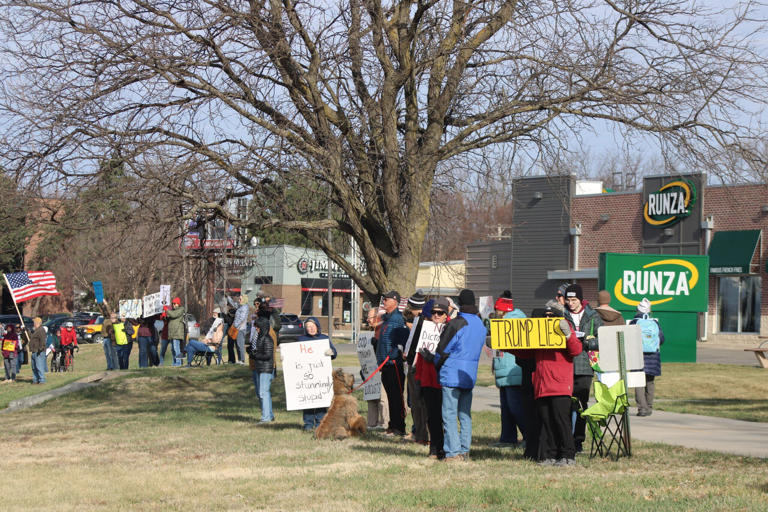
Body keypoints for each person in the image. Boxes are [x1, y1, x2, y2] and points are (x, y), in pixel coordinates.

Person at [421, 289, 486, 462]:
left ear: (460, 303)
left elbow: (442, 350)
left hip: (451, 373)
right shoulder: (480, 324)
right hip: (469, 374)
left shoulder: (457, 323)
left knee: (449, 415)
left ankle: (453, 452)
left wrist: (433, 360)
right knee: (464, 414)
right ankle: (464, 450)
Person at [512, 319, 582, 466]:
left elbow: (576, 350)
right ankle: (550, 455)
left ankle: (568, 455)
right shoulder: (539, 330)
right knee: (547, 423)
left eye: (551, 314)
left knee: (561, 422)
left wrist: (568, 335)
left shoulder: (564, 326)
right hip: (542, 386)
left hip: (559, 386)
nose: (548, 316)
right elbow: (527, 352)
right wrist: (504, 347)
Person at [562, 283, 602, 453]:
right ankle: (565, 440)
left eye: (574, 300)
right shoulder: (562, 315)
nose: (571, 304)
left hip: (585, 366)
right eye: (568, 300)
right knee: (565, 405)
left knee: (581, 405)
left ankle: (578, 440)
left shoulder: (592, 316)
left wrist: (587, 342)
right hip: (566, 364)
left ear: (580, 299)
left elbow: (602, 339)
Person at [489, 293, 528, 449]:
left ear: (503, 310)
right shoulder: (502, 322)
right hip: (504, 369)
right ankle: (507, 438)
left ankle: (528, 436)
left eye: (497, 309)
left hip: (512, 370)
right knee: (506, 408)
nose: (496, 312)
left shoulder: (512, 322)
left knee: (515, 407)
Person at [415, 296, 450, 459]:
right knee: (432, 417)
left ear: (446, 315)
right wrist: (419, 378)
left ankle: (447, 448)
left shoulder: (449, 329)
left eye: (440, 313)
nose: (436, 315)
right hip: (427, 381)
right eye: (434, 312)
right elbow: (420, 356)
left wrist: (435, 358)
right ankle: (435, 448)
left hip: (442, 380)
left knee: (445, 417)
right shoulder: (426, 329)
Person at [375, 290, 407, 437]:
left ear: (395, 301)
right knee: (390, 396)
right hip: (385, 364)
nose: (384, 301)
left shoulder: (398, 319)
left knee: (396, 397)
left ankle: (399, 427)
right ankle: (392, 425)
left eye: (387, 299)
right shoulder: (386, 319)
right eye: (384, 299)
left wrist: (393, 355)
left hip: (393, 364)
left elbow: (401, 342)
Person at [297, 317, 337, 430]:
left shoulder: (324, 338)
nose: (311, 329)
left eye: (313, 326)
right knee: (308, 399)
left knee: (320, 399)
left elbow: (335, 353)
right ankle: (308, 423)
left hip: (321, 374)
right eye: (308, 327)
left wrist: (331, 352)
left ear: (317, 326)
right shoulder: (301, 339)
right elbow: (294, 355)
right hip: (306, 375)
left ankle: (320, 422)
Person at [400, 291, 428, 444]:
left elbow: (417, 343)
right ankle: (419, 432)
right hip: (412, 362)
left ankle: (421, 434)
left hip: (417, 364)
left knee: (418, 403)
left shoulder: (423, 322)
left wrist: (409, 354)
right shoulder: (418, 320)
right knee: (415, 403)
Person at [630, 298, 665, 417]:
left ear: (638, 310)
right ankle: (649, 407)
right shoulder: (654, 323)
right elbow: (662, 339)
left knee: (638, 382)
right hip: (653, 357)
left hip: (638, 356)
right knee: (650, 382)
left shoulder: (634, 322)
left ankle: (642, 408)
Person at [249, 305, 275, 423]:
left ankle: (266, 418)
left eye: (258, 327)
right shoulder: (260, 337)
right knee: (262, 393)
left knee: (263, 392)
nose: (256, 329)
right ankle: (269, 415)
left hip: (266, 368)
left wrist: (256, 355)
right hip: (259, 367)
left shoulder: (268, 338)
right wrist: (251, 351)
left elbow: (268, 355)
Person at [365, 308, 388, 430]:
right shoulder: (369, 333)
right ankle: (371, 423)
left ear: (377, 318)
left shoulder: (383, 331)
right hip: (370, 369)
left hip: (381, 368)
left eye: (370, 318)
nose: (367, 320)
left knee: (382, 397)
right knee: (371, 396)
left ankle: (384, 423)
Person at [166, 297, 186, 367]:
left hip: (177, 332)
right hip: (172, 333)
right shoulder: (172, 310)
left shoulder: (181, 309)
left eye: (175, 303)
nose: (173, 305)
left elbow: (174, 315)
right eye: (173, 304)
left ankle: (178, 363)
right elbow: (170, 316)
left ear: (178, 304)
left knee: (176, 348)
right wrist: (165, 314)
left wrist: (167, 310)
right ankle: (174, 362)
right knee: (172, 349)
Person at [231, 294, 249, 364]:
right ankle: (239, 360)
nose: (239, 300)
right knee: (237, 345)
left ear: (244, 300)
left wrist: (234, 326)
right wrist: (228, 297)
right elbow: (233, 304)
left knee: (240, 345)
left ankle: (242, 360)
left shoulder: (244, 307)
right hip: (237, 328)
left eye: (240, 299)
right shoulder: (240, 306)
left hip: (240, 329)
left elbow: (242, 318)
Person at [28, 317, 47, 384]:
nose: (33, 324)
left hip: (39, 352)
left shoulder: (41, 330)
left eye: (34, 322)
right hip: (34, 351)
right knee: (34, 367)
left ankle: (42, 380)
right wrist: (27, 331)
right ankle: (35, 380)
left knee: (39, 366)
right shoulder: (36, 330)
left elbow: (43, 341)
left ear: (37, 323)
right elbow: (32, 337)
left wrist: (40, 349)